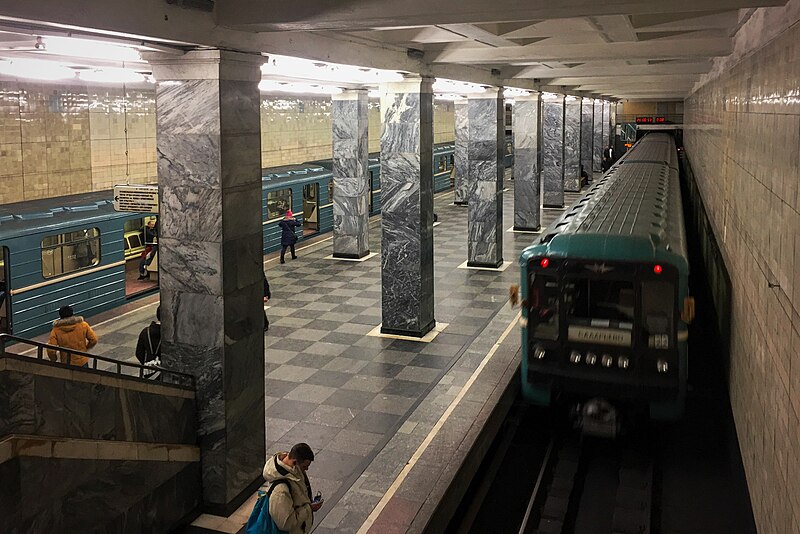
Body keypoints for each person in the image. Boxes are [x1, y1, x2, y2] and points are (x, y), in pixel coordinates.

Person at [262, 443, 322, 534]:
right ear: (294, 462)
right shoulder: (280, 491)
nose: (307, 469)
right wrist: (309, 509)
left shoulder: (293, 468)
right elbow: (285, 523)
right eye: (304, 466)